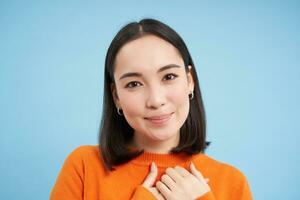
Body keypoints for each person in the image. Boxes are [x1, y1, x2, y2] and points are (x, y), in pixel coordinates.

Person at [50, 18, 253, 200]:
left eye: (169, 77)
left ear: (189, 81)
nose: (155, 100)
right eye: (134, 84)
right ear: (116, 97)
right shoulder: (84, 168)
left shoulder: (232, 183)